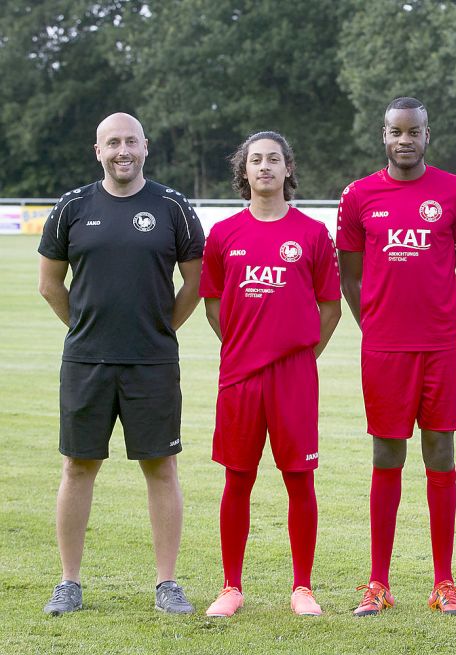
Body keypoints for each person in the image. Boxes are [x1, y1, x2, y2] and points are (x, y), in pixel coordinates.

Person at [37, 112, 204, 615]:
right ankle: (68, 582)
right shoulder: (71, 206)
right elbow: (49, 284)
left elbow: (194, 284)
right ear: (98, 151)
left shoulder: (173, 206)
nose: (122, 150)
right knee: (77, 465)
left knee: (161, 466)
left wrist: (157, 330)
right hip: (86, 361)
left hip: (152, 363)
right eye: (113, 143)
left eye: (131, 141)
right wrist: (86, 328)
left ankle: (167, 584)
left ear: (146, 147)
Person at [337, 97, 456, 616]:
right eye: (396, 132)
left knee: (440, 454)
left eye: (414, 131)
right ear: (384, 135)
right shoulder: (358, 196)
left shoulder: (455, 191)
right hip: (384, 350)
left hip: (440, 350)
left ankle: (444, 581)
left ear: (428, 134)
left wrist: (449, 330)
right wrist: (373, 326)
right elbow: (349, 277)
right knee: (386, 455)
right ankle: (378, 582)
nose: (405, 139)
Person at [199, 131, 342, 618]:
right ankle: (231, 587)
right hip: (240, 376)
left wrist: (300, 354)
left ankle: (302, 587)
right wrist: (246, 346)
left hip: (294, 378)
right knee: (237, 479)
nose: (264, 167)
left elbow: (331, 308)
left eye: (273, 159)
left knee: (299, 480)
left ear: (287, 169)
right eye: (256, 159)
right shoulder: (223, 234)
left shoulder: (312, 234)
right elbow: (214, 306)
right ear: (244, 171)